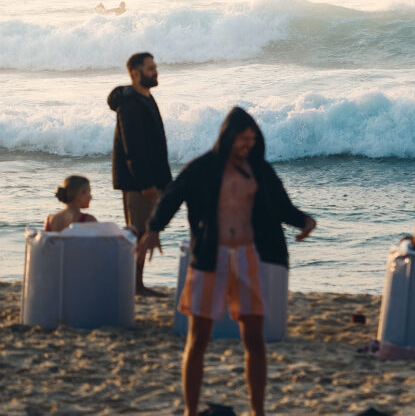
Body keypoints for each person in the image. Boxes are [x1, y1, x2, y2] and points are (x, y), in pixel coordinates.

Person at [138, 106, 316, 416]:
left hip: (247, 256)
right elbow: (172, 195)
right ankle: (191, 411)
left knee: (255, 338)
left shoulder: (259, 169)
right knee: (198, 338)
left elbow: (279, 203)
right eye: (242, 139)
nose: (248, 144)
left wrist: (303, 221)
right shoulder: (205, 167)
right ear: (229, 136)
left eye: (252, 139)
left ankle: (257, 411)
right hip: (210, 258)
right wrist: (153, 228)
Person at [107, 52, 172, 297]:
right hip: (137, 183)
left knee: (145, 230)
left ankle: (137, 284)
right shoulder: (131, 103)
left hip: (150, 180)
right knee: (139, 232)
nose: (155, 71)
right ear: (135, 73)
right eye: (150, 68)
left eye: (155, 66)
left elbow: (156, 146)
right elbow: (132, 146)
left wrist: (165, 182)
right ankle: (135, 285)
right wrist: (145, 183)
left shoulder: (146, 97)